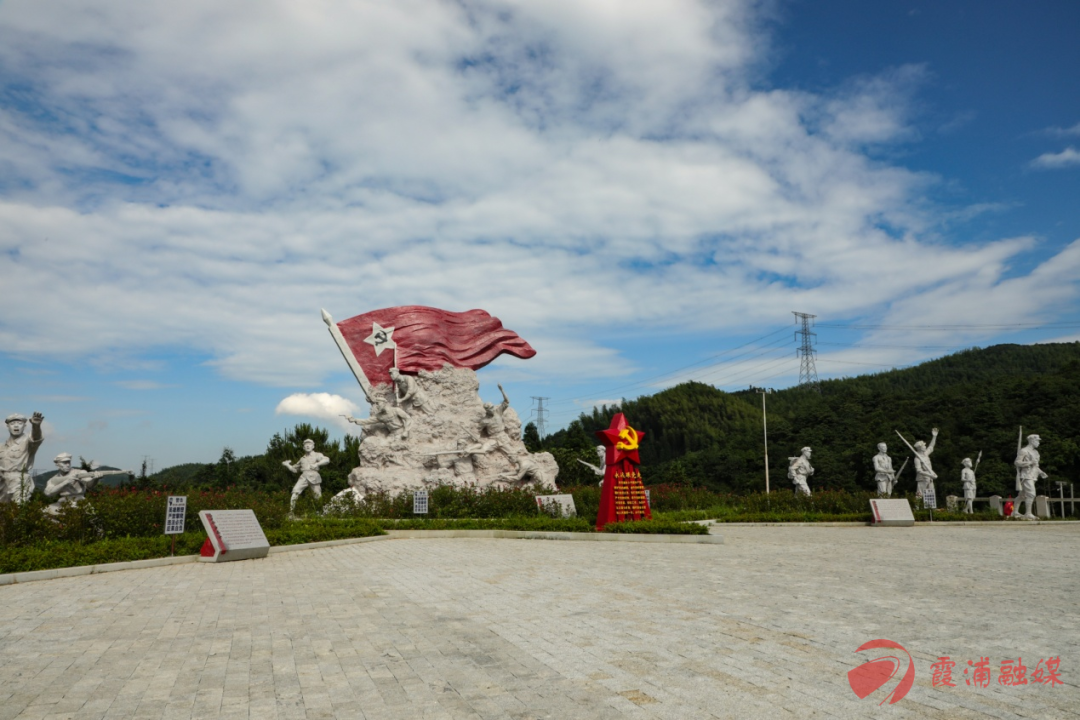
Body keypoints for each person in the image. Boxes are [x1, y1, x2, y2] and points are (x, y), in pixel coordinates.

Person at [43, 453, 130, 514]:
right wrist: (65, 482)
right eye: (64, 463)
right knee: (44, 512)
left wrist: (95, 478)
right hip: (63, 502)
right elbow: (48, 493)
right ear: (57, 464)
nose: (67, 465)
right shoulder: (54, 479)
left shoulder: (80, 472)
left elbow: (89, 485)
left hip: (79, 501)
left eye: (68, 462)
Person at [1, 412, 44, 504]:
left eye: (19, 423)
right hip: (2, 482)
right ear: (7, 426)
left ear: (24, 426)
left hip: (20, 480)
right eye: (12, 424)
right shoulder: (2, 446)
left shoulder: (28, 442)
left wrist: (36, 426)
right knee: (4, 513)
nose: (16, 426)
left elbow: (36, 438)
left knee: (18, 508)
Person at [283, 439, 331, 514]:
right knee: (295, 491)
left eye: (310, 444)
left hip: (314, 476)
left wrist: (317, 464)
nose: (308, 446)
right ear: (303, 447)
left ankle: (320, 512)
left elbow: (327, 460)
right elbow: (294, 470)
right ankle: (291, 512)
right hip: (303, 477)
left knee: (317, 496)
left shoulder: (317, 455)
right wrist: (287, 465)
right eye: (306, 444)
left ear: (313, 446)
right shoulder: (302, 459)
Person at [478, 384, 519, 469]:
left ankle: (517, 468)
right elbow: (478, 431)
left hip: (502, 438)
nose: (493, 409)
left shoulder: (498, 412)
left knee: (512, 453)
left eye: (493, 407)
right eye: (490, 408)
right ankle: (487, 467)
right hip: (493, 439)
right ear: (487, 410)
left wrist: (502, 390)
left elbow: (507, 401)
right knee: (482, 450)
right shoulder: (484, 421)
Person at [1013, 434, 1047, 520]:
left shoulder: (1036, 452)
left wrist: (1041, 472)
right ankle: (1028, 513)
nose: (1038, 443)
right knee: (1031, 494)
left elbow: (1035, 465)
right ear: (1032, 441)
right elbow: (1017, 462)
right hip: (1026, 475)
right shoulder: (1024, 451)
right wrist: (1029, 463)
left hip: (1033, 475)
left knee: (1022, 495)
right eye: (1037, 441)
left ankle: (1015, 512)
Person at [912, 429, 939, 500]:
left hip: (930, 477)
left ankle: (930, 509)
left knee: (930, 494)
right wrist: (929, 474)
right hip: (922, 478)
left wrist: (934, 436)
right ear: (920, 448)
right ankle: (917, 508)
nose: (925, 446)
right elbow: (918, 470)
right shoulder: (917, 458)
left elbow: (931, 446)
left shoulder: (926, 454)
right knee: (919, 494)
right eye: (924, 446)